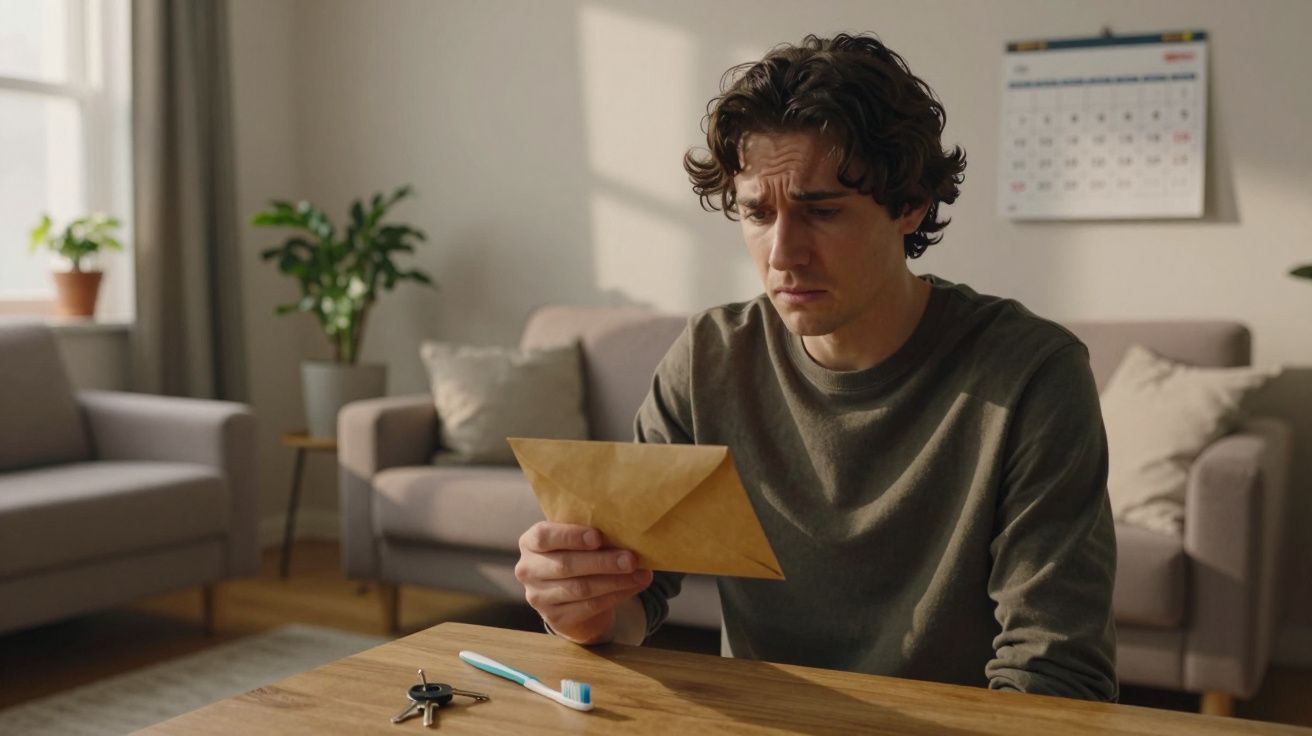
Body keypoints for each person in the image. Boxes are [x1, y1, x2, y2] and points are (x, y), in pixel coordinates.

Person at [515, 32, 1118, 701]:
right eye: (757, 213)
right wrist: (582, 607)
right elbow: (637, 597)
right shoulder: (710, 357)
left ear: (910, 204)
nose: (783, 254)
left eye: (821, 211)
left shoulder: (1033, 375)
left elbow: (1055, 675)